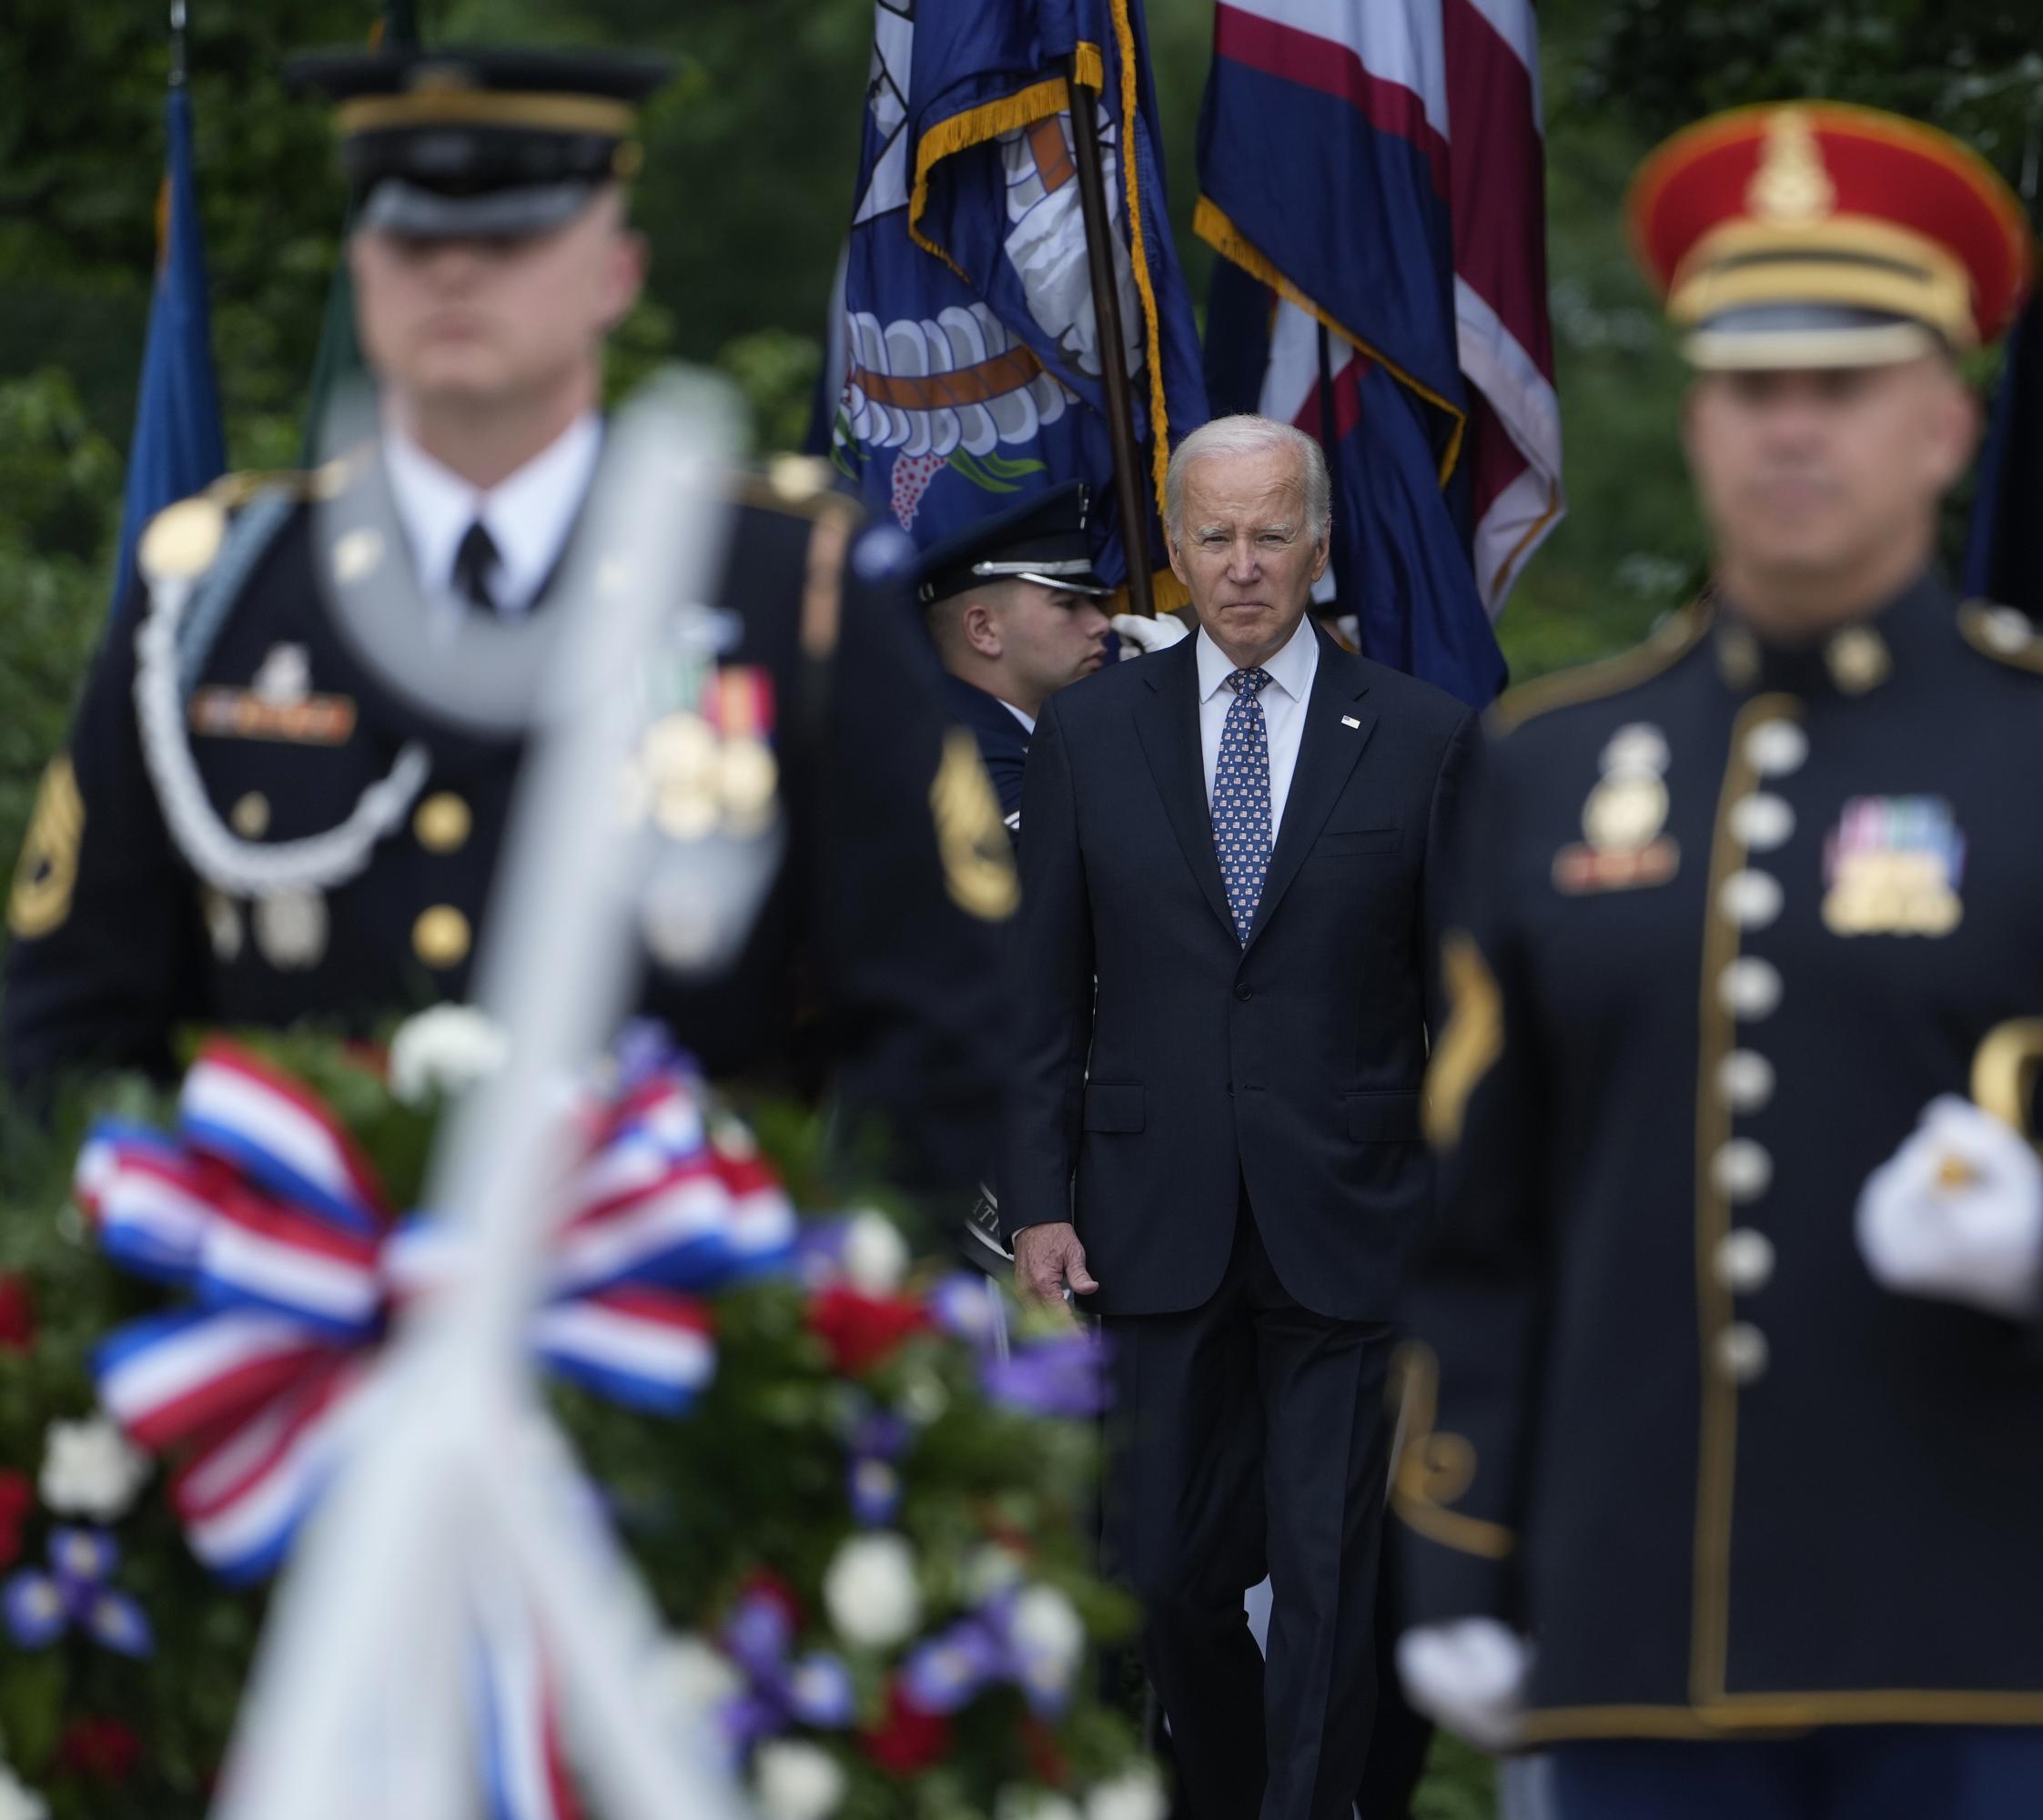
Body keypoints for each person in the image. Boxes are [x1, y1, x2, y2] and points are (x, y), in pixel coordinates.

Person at [1390, 102, 2043, 1820]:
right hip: (1635, 1644)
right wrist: (1456, 1550)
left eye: (1846, 385)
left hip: (1990, 1645)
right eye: (1755, 388)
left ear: (1944, 425)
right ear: (1695, 422)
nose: (1793, 429)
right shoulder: (1544, 764)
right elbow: (1480, 1221)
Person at [4, 47, 1014, 1196]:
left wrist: (814, 1317)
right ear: (363, 267)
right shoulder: (215, 594)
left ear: (617, 273)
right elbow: (69, 1024)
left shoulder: (785, 586)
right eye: (414, 240)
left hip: (679, 1330)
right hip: (285, 1324)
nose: (456, 275)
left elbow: (939, 1023)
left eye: (511, 240)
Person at [1001, 412, 1477, 1820]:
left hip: (1358, 1221)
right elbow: (1038, 998)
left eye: (1273, 534)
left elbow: (1470, 1012)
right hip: (1150, 1222)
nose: (1245, 565)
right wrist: (1038, 1198)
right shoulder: (1088, 734)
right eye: (1214, 536)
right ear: (1176, 549)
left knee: (1333, 1587)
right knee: (1162, 1577)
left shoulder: (1423, 736)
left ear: (1319, 546)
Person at [914, 482, 1114, 829]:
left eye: (1093, 603)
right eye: (1068, 605)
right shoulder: (961, 756)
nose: (1100, 624)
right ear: (984, 630)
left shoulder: (1012, 734)